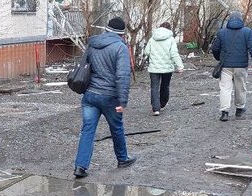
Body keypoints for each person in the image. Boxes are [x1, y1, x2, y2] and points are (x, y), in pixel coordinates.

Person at [73, 16, 137, 178]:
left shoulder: (93, 43)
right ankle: (122, 158)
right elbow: (122, 76)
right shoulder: (120, 47)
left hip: (90, 96)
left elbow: (84, 67)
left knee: (87, 130)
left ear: (106, 30)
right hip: (110, 98)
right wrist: (123, 101)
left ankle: (80, 167)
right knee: (116, 128)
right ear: (122, 34)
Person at [211, 11, 252, 122]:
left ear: (229, 20)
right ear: (241, 19)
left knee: (225, 89)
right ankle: (239, 111)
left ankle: (224, 113)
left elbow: (215, 49)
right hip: (241, 66)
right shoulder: (247, 32)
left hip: (226, 66)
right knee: (240, 88)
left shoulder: (222, 32)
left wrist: (219, 58)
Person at [142, 21, 185, 116]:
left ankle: (155, 108)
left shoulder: (152, 38)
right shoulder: (171, 39)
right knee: (165, 86)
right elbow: (174, 54)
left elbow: (146, 52)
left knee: (154, 87)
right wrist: (180, 66)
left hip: (154, 68)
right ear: (169, 29)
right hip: (167, 68)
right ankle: (162, 103)